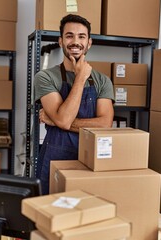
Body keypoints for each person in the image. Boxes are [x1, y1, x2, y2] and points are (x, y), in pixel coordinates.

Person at [34, 14, 115, 194]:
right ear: (61, 41)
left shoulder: (103, 81)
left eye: (81, 36)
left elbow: (104, 125)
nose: (75, 41)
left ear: (89, 43)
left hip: (91, 160)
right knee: (51, 213)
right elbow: (64, 119)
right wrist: (80, 78)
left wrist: (55, 120)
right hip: (56, 159)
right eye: (69, 36)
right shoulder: (45, 77)